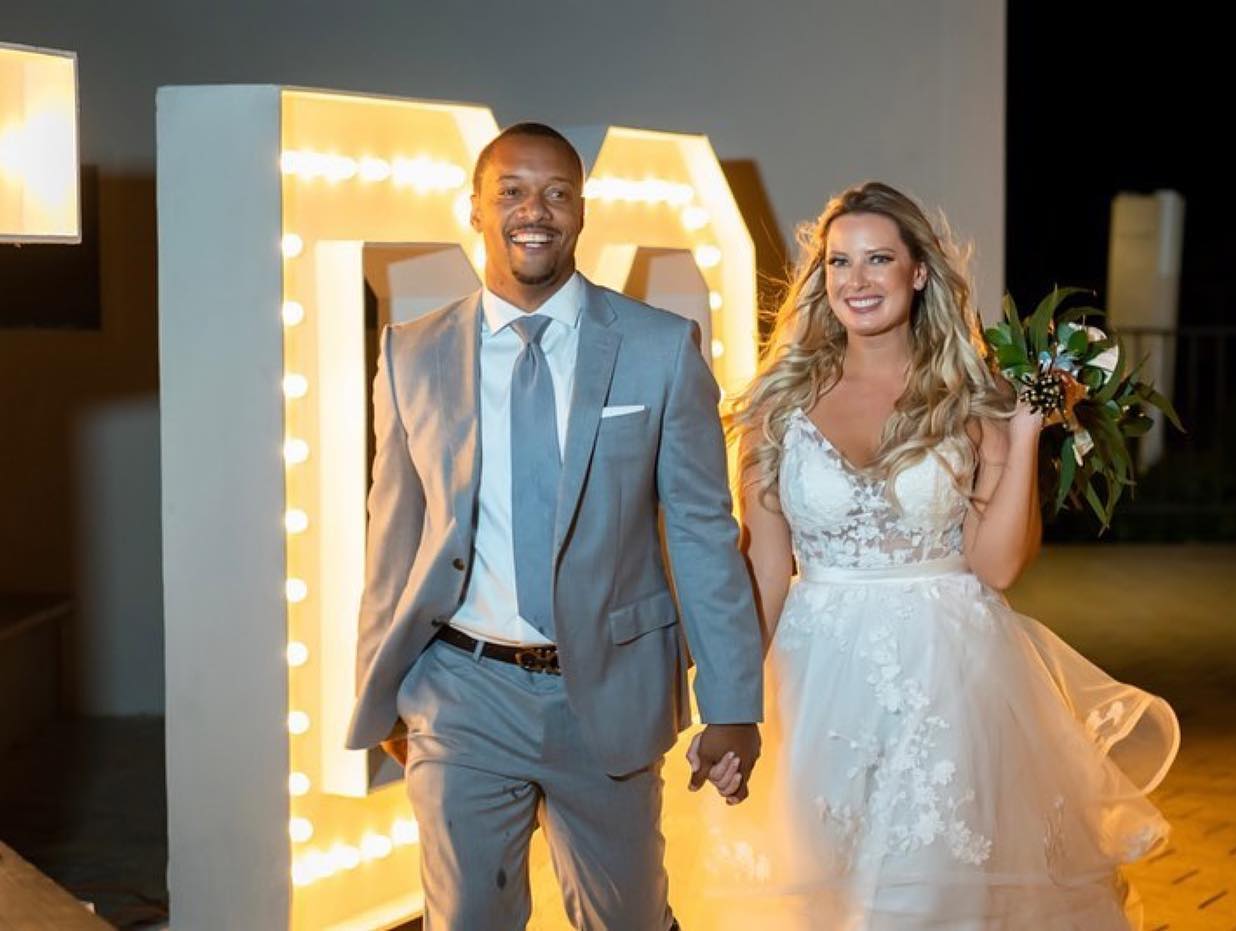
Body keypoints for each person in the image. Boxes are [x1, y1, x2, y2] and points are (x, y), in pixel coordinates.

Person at [691, 182, 1179, 929]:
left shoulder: (970, 398)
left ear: (918, 272)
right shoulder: (778, 404)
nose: (856, 280)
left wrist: (1023, 433)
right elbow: (763, 571)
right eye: (840, 261)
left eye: (878, 259)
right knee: (828, 896)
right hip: (816, 680)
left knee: (924, 896)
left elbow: (998, 567)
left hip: (947, 673)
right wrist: (732, 703)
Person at [344, 121, 764, 931]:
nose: (533, 210)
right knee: (467, 916)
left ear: (581, 211)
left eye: (556, 192)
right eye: (510, 191)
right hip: (461, 688)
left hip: (607, 686)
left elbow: (703, 534)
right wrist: (385, 686)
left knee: (627, 918)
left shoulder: (659, 348)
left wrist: (732, 700)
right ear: (475, 208)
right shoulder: (410, 353)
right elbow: (391, 539)